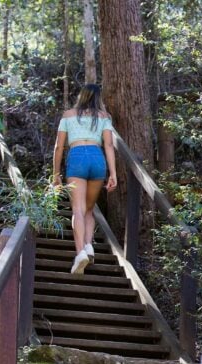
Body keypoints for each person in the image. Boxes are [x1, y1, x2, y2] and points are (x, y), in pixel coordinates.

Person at [52, 84, 118, 274]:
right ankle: (89, 245)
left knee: (78, 210)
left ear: (82, 96)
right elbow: (109, 145)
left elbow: (58, 147)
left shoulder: (68, 115)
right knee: (89, 209)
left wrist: (56, 174)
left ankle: (80, 252)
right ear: (98, 98)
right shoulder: (104, 117)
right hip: (98, 159)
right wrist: (113, 173)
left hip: (77, 157)